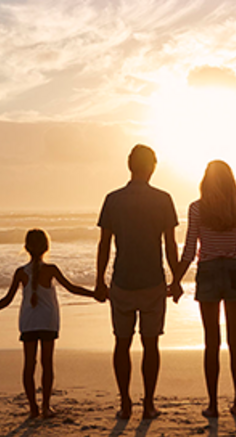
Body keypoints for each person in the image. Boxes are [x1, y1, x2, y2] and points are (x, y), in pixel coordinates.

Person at [95, 144, 180, 420]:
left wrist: (99, 280)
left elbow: (104, 244)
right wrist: (176, 278)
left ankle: (125, 403)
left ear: (129, 165)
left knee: (121, 342)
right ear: (152, 167)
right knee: (151, 343)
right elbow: (170, 245)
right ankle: (149, 403)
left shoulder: (113, 199)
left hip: (122, 279)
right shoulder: (163, 199)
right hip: (153, 280)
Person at [171, 160, 236, 418]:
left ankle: (214, 404)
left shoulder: (197, 208)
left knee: (211, 341)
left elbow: (190, 249)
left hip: (207, 271)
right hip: (234, 270)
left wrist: (176, 280)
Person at [0, 229, 95, 419]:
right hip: (48, 321)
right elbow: (72, 288)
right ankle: (46, 406)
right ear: (47, 247)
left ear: (26, 248)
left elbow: (7, 299)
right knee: (47, 364)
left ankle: (33, 408)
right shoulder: (51, 269)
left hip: (28, 322)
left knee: (29, 365)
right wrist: (95, 294)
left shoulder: (20, 272)